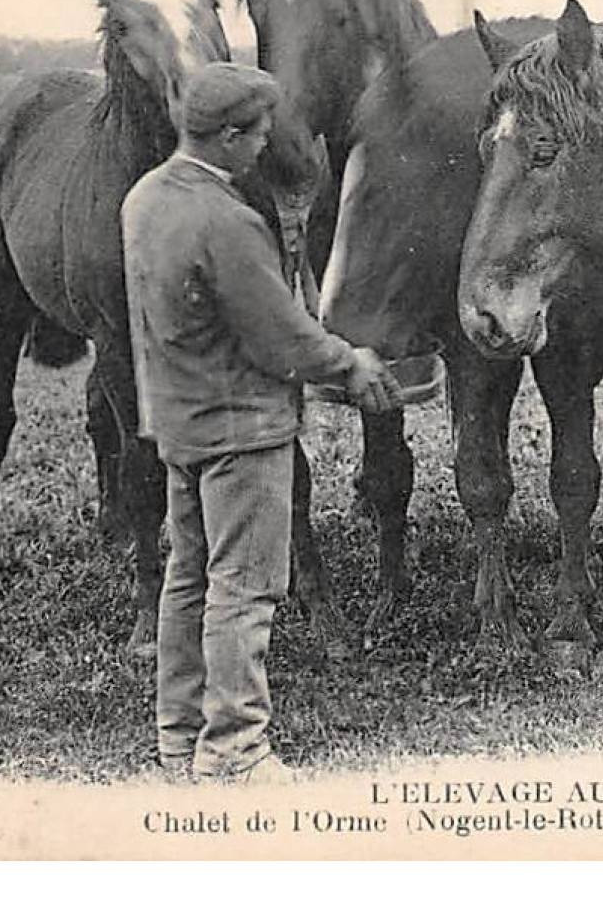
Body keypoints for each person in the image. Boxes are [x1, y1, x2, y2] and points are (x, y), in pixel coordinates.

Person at [121, 61, 402, 784]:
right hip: (242, 431)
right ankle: (235, 750)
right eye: (260, 132)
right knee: (245, 590)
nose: (268, 143)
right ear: (229, 136)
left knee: (189, 580)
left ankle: (178, 737)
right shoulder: (227, 222)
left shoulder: (145, 198)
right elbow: (281, 336)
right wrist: (353, 365)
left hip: (178, 424)